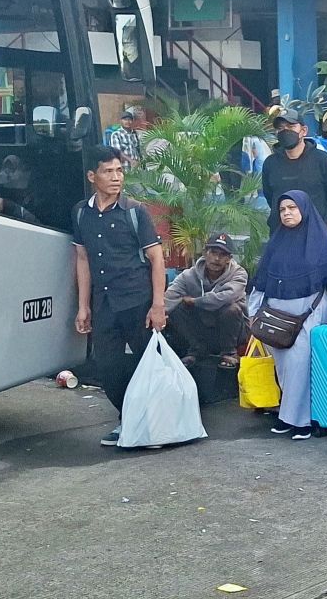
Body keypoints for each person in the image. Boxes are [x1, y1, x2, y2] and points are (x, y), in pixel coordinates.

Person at [71, 146, 166, 447]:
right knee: (107, 366)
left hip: (137, 299)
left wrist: (158, 304)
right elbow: (83, 259)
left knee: (147, 364)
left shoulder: (135, 211)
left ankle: (153, 426)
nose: (115, 178)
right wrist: (83, 306)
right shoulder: (81, 213)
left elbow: (157, 258)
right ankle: (127, 418)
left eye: (119, 171)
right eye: (108, 171)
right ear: (92, 176)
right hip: (105, 302)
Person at [248, 191, 327, 441]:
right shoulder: (277, 242)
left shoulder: (321, 241)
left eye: (292, 208)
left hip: (307, 313)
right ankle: (289, 418)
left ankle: (304, 422)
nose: (287, 213)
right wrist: (253, 312)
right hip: (275, 317)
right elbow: (260, 281)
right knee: (284, 367)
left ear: (305, 210)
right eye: (283, 209)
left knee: (301, 365)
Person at [163, 233, 249, 368]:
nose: (217, 258)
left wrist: (195, 301)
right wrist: (156, 314)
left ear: (229, 258)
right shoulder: (188, 275)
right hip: (203, 329)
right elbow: (170, 297)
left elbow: (226, 297)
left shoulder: (239, 274)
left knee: (231, 308)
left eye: (223, 255)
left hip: (232, 331)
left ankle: (229, 354)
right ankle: (196, 350)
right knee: (177, 307)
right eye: (213, 252)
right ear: (204, 252)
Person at [261, 109, 327, 229]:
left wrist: (326, 220)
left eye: (291, 126)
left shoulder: (322, 160)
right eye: (280, 128)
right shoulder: (270, 163)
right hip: (281, 233)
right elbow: (270, 196)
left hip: (315, 233)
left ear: (304, 130)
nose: (285, 131)